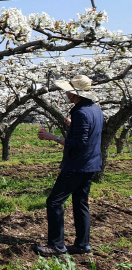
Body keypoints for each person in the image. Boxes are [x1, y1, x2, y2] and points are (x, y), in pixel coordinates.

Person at [35, 75, 103, 256]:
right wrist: (73, 126)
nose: (65, 93)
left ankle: (56, 245)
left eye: (68, 90)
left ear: (74, 93)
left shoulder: (81, 112)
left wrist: (54, 138)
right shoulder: (94, 109)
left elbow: (80, 143)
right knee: (81, 203)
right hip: (92, 164)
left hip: (77, 165)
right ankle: (82, 245)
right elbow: (89, 132)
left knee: (54, 202)